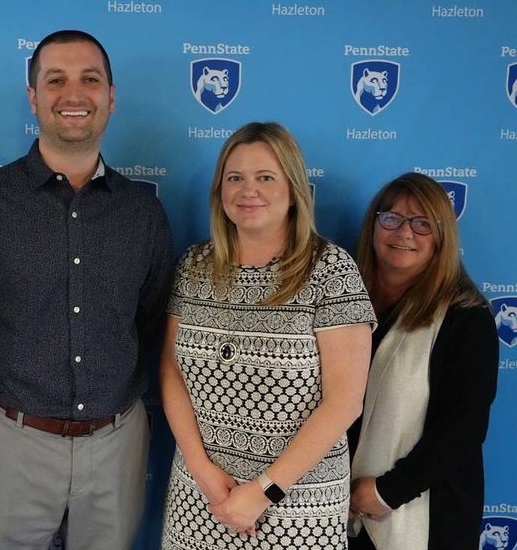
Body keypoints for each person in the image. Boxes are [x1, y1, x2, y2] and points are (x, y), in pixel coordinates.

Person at [0, 30, 174, 549]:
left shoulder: (143, 213)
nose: (74, 94)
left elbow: (152, 316)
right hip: (10, 440)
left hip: (117, 444)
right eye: (56, 80)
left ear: (111, 97)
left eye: (90, 80)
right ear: (33, 97)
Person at [160, 122, 375, 549]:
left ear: (294, 189)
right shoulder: (194, 265)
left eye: (265, 177)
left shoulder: (330, 271)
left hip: (295, 506)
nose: (248, 190)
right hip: (200, 495)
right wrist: (203, 473)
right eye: (234, 178)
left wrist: (262, 491)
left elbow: (344, 402)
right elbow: (171, 370)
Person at [348, 173, 498, 549]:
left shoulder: (466, 317)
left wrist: (386, 492)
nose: (404, 232)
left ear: (442, 237)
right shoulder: (341, 304)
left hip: (424, 513)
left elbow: (463, 427)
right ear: (374, 225)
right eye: (392, 217)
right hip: (338, 507)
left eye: (422, 223)